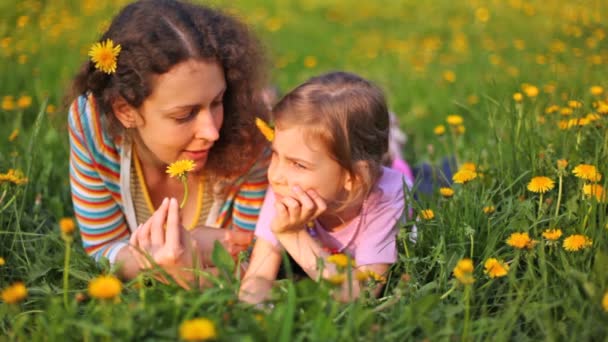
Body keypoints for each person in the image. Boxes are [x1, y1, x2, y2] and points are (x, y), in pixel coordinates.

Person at [67, 0, 270, 288]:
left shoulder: (252, 132)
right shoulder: (92, 125)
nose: (211, 132)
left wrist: (185, 274)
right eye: (184, 114)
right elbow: (104, 246)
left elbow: (261, 260)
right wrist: (158, 265)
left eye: (217, 101)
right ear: (125, 110)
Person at [239, 72, 409, 303]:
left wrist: (292, 235)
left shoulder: (385, 197)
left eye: (298, 164)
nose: (276, 175)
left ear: (354, 177)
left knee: (424, 174)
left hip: (405, 185)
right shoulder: (286, 186)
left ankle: (395, 150)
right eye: (275, 154)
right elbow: (258, 276)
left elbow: (363, 294)